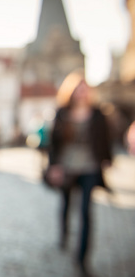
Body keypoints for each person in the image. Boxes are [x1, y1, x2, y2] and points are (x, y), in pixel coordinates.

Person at [46, 70, 112, 276]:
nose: (82, 94)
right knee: (65, 204)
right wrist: (54, 165)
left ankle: (82, 257)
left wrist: (107, 158)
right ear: (71, 92)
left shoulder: (98, 113)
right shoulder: (62, 113)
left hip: (89, 167)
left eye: (84, 90)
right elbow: (54, 143)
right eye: (78, 90)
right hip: (67, 166)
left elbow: (105, 138)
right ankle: (64, 234)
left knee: (86, 212)